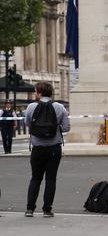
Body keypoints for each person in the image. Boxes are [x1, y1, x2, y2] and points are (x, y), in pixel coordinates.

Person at [24, 81, 70, 217]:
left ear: (39, 93)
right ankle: (47, 209)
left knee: (35, 178)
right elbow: (66, 127)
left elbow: (27, 124)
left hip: (37, 148)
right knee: (51, 179)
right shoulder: (60, 107)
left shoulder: (31, 107)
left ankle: (29, 209)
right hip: (54, 148)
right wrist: (55, 127)